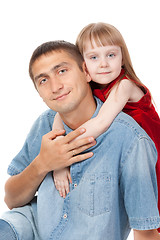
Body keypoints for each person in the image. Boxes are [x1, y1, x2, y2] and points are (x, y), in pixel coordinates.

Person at [0, 40, 160, 240]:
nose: (55, 87)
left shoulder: (130, 139)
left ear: (86, 72)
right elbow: (11, 199)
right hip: (30, 227)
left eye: (62, 71)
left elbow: (146, 233)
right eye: (43, 80)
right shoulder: (45, 123)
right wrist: (43, 163)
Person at [53, 23, 160, 223]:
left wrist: (61, 153)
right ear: (83, 64)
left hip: (150, 155)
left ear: (122, 58)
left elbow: (101, 122)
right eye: (94, 57)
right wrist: (57, 160)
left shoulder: (124, 85)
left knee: (151, 210)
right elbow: (61, 114)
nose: (103, 64)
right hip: (122, 156)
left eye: (111, 55)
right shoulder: (88, 88)